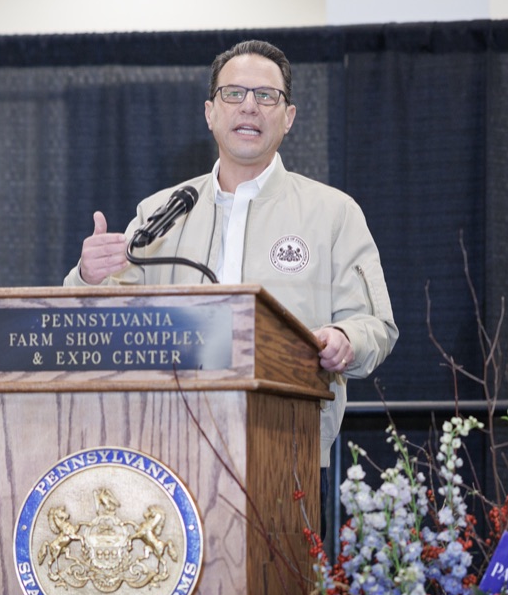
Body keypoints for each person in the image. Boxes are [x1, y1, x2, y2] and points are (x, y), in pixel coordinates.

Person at [64, 38, 397, 457]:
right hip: (169, 443)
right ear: (210, 112)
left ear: (289, 117)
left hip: (286, 445)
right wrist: (88, 277)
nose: (249, 107)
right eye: (234, 93)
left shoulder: (333, 213)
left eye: (266, 96)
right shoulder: (161, 212)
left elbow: (376, 326)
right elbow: (104, 328)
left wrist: (345, 337)